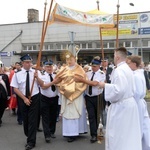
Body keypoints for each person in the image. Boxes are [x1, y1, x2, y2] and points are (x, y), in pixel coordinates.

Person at [99, 47, 142, 150]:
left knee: (119, 135)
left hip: (121, 107)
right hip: (129, 104)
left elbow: (119, 90)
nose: (113, 58)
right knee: (128, 134)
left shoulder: (119, 70)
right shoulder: (127, 68)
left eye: (114, 56)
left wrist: (104, 85)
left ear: (117, 57)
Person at [53, 51, 88, 142]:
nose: (69, 61)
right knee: (68, 113)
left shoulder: (79, 69)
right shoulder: (63, 68)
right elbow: (58, 79)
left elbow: (83, 80)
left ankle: (78, 130)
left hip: (76, 94)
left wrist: (74, 87)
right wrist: (64, 87)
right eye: (67, 59)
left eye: (71, 59)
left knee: (76, 111)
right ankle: (70, 133)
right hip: (66, 93)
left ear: (74, 59)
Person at [10, 54, 42, 150]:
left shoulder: (36, 72)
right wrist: (24, 99)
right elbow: (15, 88)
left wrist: (37, 78)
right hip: (22, 98)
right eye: (27, 62)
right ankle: (29, 134)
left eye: (30, 62)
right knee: (26, 120)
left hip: (35, 97)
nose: (29, 64)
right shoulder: (17, 74)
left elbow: (42, 85)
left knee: (33, 120)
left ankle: (31, 142)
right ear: (23, 63)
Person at [74, 56, 105, 143]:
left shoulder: (101, 74)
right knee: (91, 116)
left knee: (97, 116)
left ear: (99, 66)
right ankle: (93, 135)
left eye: (95, 66)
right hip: (88, 97)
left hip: (98, 97)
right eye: (92, 66)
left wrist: (82, 80)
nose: (93, 67)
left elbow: (94, 83)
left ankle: (99, 132)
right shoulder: (88, 73)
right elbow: (82, 80)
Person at [127, 55, 150, 150]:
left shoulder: (135, 76)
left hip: (137, 103)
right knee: (144, 125)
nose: (127, 65)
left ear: (134, 64)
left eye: (128, 63)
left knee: (138, 126)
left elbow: (136, 92)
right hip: (140, 102)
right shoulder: (139, 73)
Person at [37, 61, 59, 143]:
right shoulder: (42, 76)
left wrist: (58, 83)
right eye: (47, 67)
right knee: (45, 117)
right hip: (45, 98)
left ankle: (52, 131)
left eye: (50, 67)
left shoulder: (56, 75)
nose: (49, 68)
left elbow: (59, 84)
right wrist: (53, 82)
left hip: (54, 97)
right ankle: (47, 135)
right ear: (44, 68)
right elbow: (43, 86)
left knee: (53, 116)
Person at [0, 61, 11, 127]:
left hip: (3, 95)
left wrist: (9, 94)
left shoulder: (5, 76)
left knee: (2, 108)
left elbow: (7, 86)